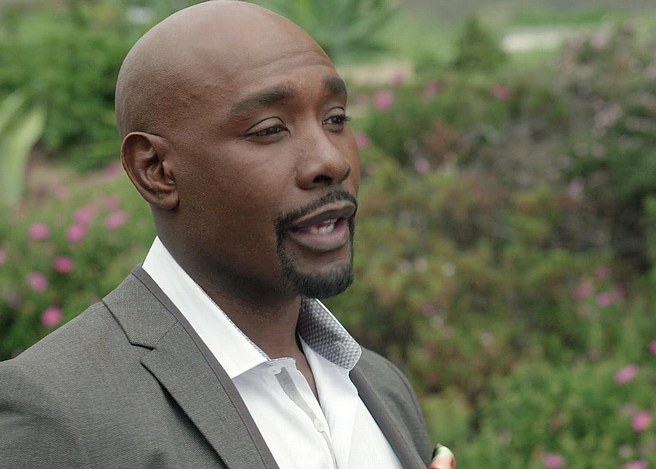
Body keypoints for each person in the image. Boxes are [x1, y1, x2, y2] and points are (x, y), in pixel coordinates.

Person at [0, 2, 456, 468]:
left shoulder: (382, 386)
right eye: (270, 129)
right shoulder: (59, 412)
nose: (331, 161)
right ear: (156, 171)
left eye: (335, 119)